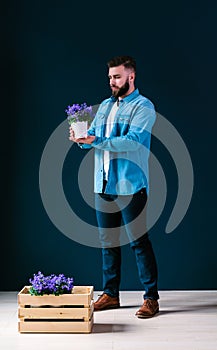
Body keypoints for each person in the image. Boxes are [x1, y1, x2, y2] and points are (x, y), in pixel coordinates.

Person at [69, 55, 159, 318]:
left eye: (117, 76)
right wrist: (80, 139)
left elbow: (132, 142)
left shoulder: (144, 107)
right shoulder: (106, 107)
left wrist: (95, 139)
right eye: (110, 77)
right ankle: (111, 294)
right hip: (103, 184)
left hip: (131, 186)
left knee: (139, 243)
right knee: (107, 242)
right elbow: (92, 140)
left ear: (131, 76)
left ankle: (151, 298)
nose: (112, 81)